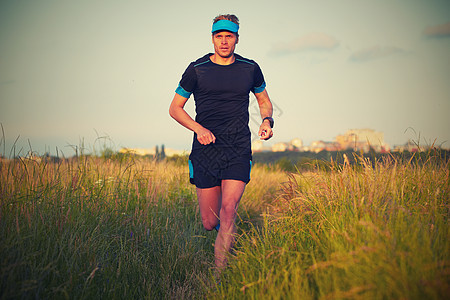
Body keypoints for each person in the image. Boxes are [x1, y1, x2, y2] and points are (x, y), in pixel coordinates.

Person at [169, 14, 274, 270]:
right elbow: (175, 108)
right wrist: (198, 129)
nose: (224, 41)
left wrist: (267, 121)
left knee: (228, 210)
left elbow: (264, 102)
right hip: (205, 150)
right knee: (209, 220)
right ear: (212, 38)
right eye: (219, 36)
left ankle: (219, 280)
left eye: (229, 36)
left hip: (238, 148)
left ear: (237, 38)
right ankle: (227, 233)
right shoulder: (197, 69)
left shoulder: (250, 68)